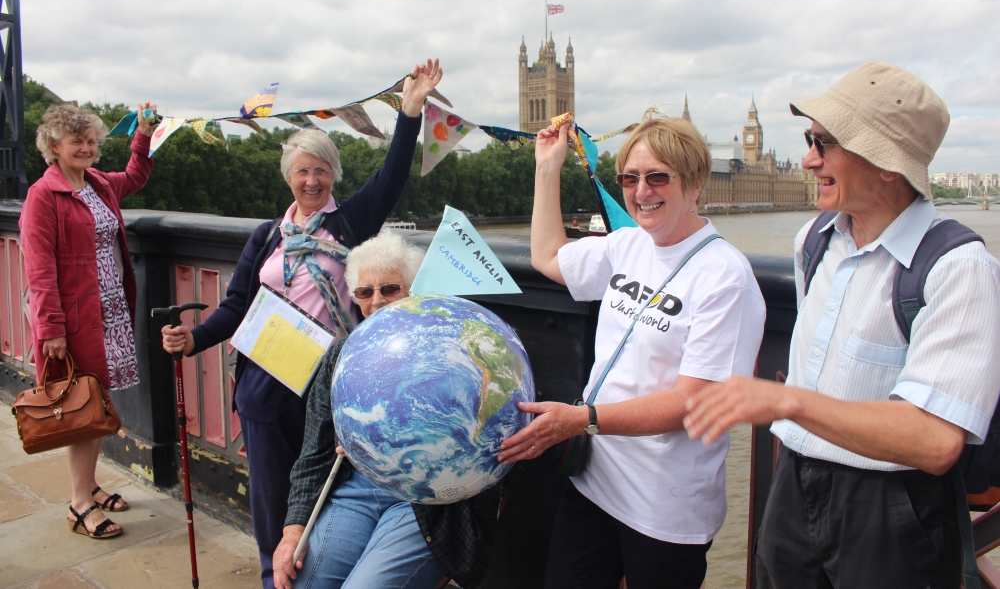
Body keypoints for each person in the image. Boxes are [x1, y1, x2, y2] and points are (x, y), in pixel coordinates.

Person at [684, 62, 1000, 588]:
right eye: (810, 141)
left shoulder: (958, 268)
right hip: (793, 488)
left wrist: (786, 402)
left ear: (886, 163)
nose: (809, 160)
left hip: (891, 510)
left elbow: (935, 440)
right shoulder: (814, 239)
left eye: (824, 143)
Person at [161, 60, 443, 589]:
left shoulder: (351, 222)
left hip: (328, 383)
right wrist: (192, 339)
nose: (311, 180)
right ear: (288, 177)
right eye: (302, 171)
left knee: (327, 492)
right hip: (265, 384)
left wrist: (410, 110)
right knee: (272, 501)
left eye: (321, 170)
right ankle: (276, 580)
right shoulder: (266, 237)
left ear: (334, 175)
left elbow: (394, 174)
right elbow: (236, 307)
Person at [499, 112, 766, 589]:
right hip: (595, 483)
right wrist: (547, 167)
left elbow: (695, 403)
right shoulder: (627, 246)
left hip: (664, 507)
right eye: (630, 178)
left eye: (658, 176)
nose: (642, 191)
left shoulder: (725, 276)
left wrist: (582, 418)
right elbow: (547, 257)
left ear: (696, 181)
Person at [270, 231, 504, 589]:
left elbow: (496, 425)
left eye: (390, 289)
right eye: (365, 292)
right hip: (356, 488)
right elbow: (314, 452)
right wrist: (292, 532)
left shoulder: (454, 349)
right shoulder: (343, 354)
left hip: (425, 501)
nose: (377, 301)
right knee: (305, 583)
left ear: (413, 289)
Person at [21, 102, 158, 539]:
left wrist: (143, 135)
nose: (86, 147)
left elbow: (135, 177)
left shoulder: (97, 183)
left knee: (96, 403)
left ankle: (90, 486)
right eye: (76, 140)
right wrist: (52, 329)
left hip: (110, 313)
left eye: (92, 140)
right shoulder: (44, 195)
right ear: (53, 146)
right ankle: (80, 504)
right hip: (78, 319)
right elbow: (38, 268)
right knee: (84, 406)